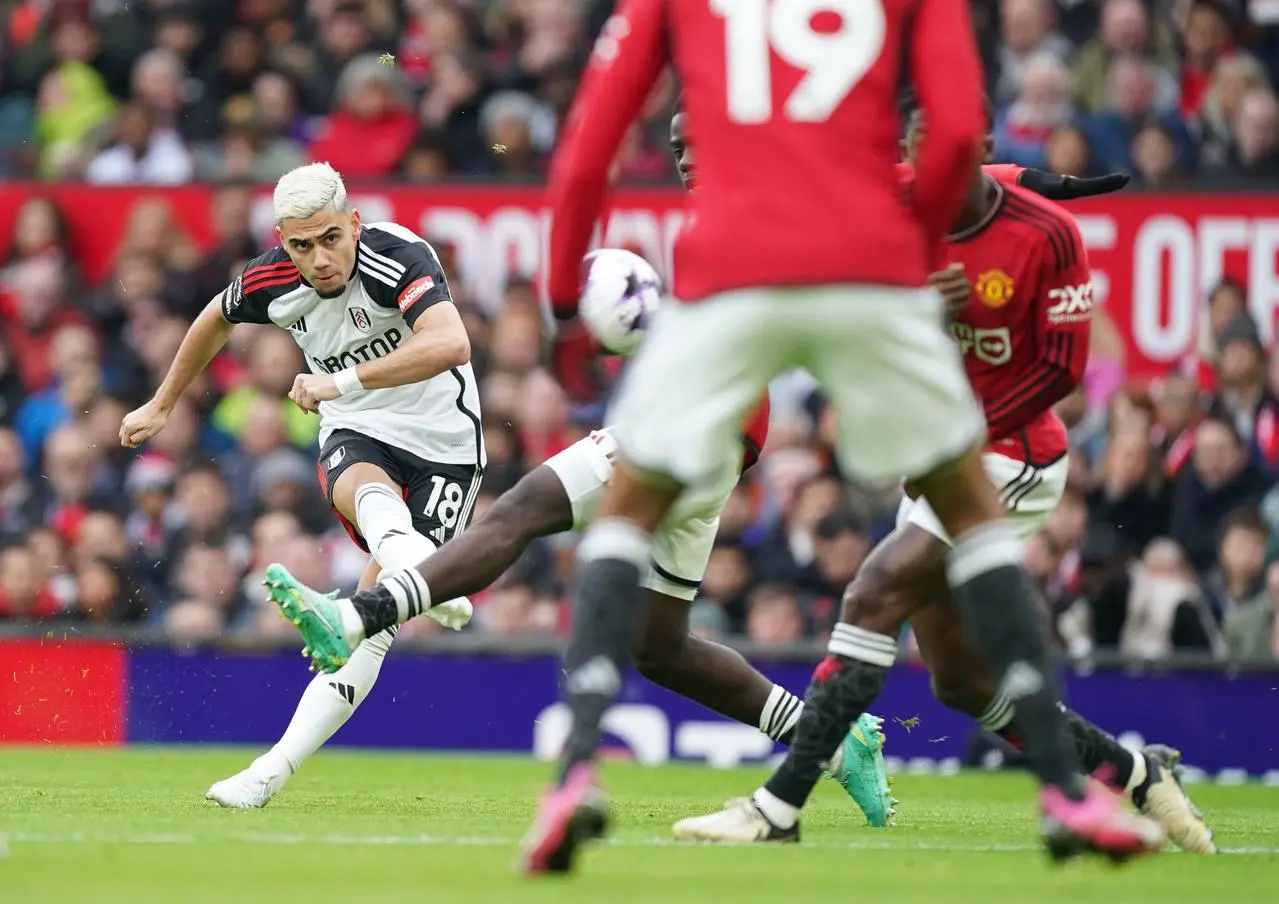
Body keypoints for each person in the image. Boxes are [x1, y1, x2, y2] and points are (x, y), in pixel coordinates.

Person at [509, 0, 1160, 872]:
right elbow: (957, 126)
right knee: (971, 509)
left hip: (735, 263)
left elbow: (587, 147)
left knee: (626, 507)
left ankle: (574, 776)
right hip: (862, 265)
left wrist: (563, 309)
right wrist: (915, 252)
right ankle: (1068, 796)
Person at [260, 129, 897, 828]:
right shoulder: (714, 227)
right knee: (660, 647)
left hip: (701, 424)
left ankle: (358, 615)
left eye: (697, 139)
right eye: (676, 140)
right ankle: (832, 740)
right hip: (719, 433)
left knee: (521, 510)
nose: (684, 152)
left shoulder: (763, 219)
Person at [673, 104, 1215, 855]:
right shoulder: (897, 199)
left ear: (980, 147)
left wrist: (959, 431)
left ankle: (776, 808)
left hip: (1015, 458)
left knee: (870, 596)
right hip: (936, 457)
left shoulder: (1048, 238)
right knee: (958, 681)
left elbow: (1061, 370)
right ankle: (1135, 773)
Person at [118, 162, 484, 807]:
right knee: (363, 489)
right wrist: (162, 403)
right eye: (300, 245)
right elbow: (214, 318)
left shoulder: (399, 256)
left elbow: (452, 343)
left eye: (330, 239)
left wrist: (337, 381)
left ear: (354, 224)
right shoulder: (273, 280)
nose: (318, 259)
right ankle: (266, 775)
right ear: (283, 243)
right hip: (358, 428)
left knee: (369, 634)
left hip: (446, 446)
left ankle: (413, 580)